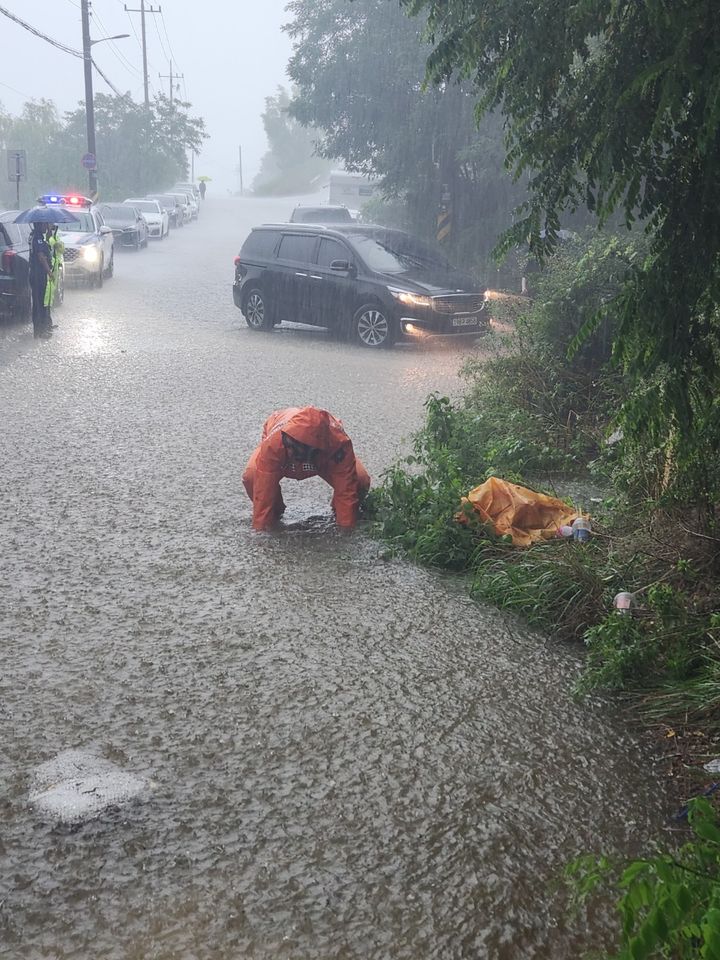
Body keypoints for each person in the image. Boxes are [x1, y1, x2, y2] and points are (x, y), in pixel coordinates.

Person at [242, 406, 370, 531]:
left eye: (293, 448)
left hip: (325, 457)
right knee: (252, 477)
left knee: (359, 480)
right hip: (279, 445)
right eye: (288, 444)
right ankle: (275, 513)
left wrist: (345, 532)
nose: (288, 450)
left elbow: (346, 490)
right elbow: (264, 490)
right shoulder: (277, 441)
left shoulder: (339, 445)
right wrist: (261, 534)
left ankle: (336, 512)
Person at [28, 222, 53, 337]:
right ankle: (39, 331)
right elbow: (41, 257)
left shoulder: (39, 237)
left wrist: (48, 237)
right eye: (45, 224)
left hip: (38, 274)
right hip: (38, 275)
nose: (47, 226)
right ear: (39, 225)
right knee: (39, 302)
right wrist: (49, 271)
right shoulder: (37, 237)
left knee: (40, 301)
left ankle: (41, 329)